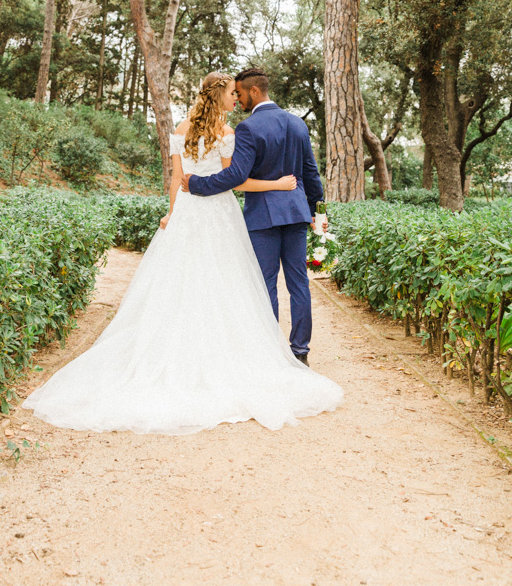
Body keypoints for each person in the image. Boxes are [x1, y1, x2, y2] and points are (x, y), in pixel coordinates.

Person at [22, 71, 342, 435]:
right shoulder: (243, 131)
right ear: (221, 96)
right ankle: (288, 351)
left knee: (197, 282)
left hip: (191, 212)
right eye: (231, 95)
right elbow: (252, 178)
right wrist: (304, 201)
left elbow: (177, 179)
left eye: (239, 94)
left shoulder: (183, 128)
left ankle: (190, 351)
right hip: (240, 213)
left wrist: (174, 211)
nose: (235, 100)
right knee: (255, 283)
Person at [183, 67, 324, 366]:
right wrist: (317, 212)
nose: (239, 98)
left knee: (266, 284)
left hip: (264, 218)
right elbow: (311, 174)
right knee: (299, 283)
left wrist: (197, 184)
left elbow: (235, 175)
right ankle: (300, 351)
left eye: (241, 93)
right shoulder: (298, 124)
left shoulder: (249, 128)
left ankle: (271, 349)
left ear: (255, 92)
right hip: (297, 214)